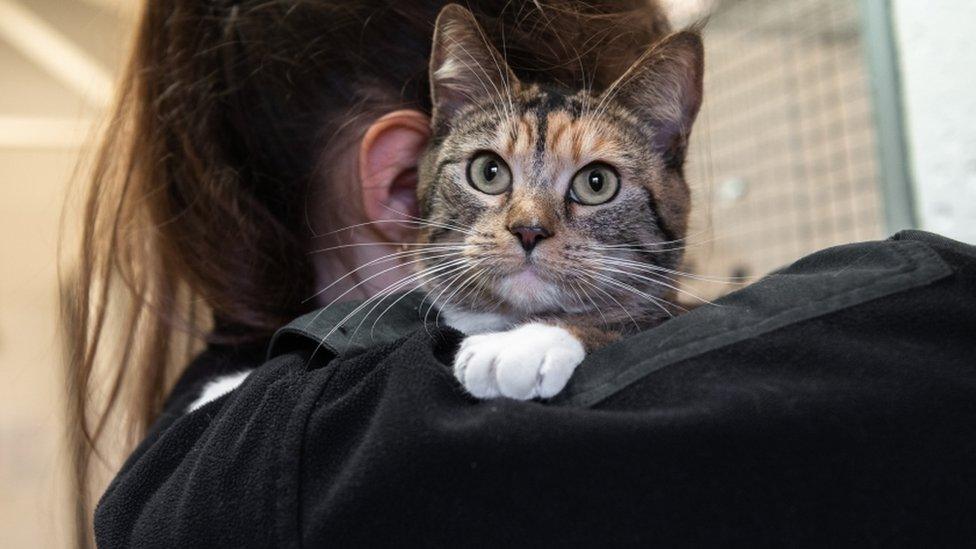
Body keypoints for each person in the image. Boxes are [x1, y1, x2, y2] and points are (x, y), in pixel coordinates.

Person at [65, 1, 976, 547]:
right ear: (403, 180)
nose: (534, 223)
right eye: (490, 172)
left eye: (596, 182)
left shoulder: (197, 477)